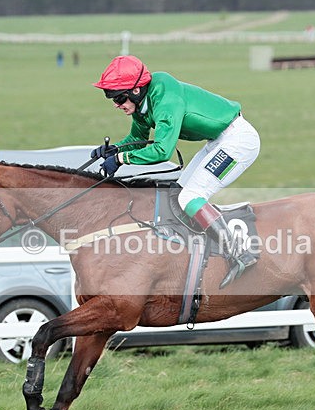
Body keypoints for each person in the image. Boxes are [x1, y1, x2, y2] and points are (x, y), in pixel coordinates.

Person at [91, 55, 260, 289]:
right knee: (179, 192)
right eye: (110, 98)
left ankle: (240, 254)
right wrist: (114, 150)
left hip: (238, 141)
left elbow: (162, 151)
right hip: (218, 140)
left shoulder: (165, 99)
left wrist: (121, 159)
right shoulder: (143, 103)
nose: (116, 104)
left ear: (137, 90)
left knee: (190, 197)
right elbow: (138, 140)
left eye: (119, 98)